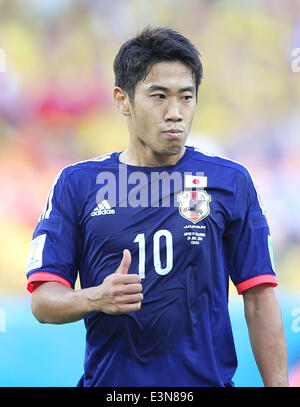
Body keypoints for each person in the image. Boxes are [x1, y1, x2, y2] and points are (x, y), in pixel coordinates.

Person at [26, 26, 289, 387]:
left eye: (186, 97)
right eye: (159, 96)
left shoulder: (231, 181)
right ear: (123, 100)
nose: (175, 112)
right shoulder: (77, 184)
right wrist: (95, 297)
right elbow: (43, 303)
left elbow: (260, 298)